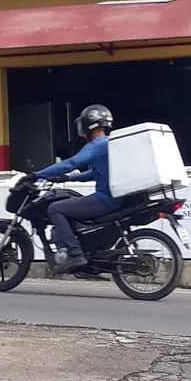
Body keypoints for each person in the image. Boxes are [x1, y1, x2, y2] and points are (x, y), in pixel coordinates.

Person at [35, 104, 121, 271]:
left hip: (105, 200)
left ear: (89, 125)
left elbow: (71, 163)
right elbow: (95, 173)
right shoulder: (110, 144)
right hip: (116, 198)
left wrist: (38, 174)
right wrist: (67, 178)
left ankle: (75, 254)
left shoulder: (97, 145)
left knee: (55, 208)